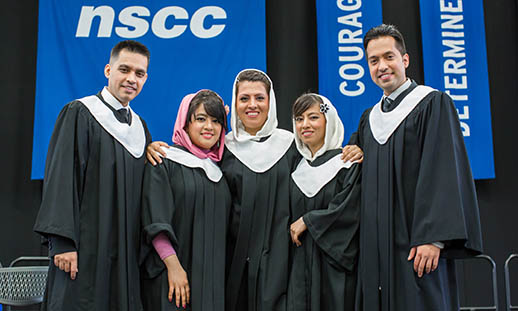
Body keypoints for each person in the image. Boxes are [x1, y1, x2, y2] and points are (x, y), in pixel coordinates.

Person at [346, 24, 483, 310]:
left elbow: (442, 170)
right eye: (373, 61)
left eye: (389, 57)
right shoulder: (369, 119)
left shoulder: (432, 104)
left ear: (404, 60)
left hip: (416, 244)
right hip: (377, 249)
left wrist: (434, 238)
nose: (382, 66)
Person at [33, 40, 152, 311]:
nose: (131, 78)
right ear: (108, 70)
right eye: (125, 69)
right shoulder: (80, 113)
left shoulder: (140, 128)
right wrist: (63, 242)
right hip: (84, 248)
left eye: (139, 73)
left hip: (124, 251)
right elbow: (61, 177)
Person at [140, 90, 231, 311]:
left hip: (211, 281)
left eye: (216, 121)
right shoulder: (164, 161)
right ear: (185, 123)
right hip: (172, 277)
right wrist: (174, 266)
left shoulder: (222, 172)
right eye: (201, 119)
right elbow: (155, 220)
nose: (209, 127)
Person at [287, 93, 361, 311]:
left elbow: (350, 212)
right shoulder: (294, 167)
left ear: (328, 121)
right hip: (298, 269)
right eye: (299, 119)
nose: (305, 125)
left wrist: (308, 221)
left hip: (334, 268)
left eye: (313, 117)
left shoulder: (347, 163)